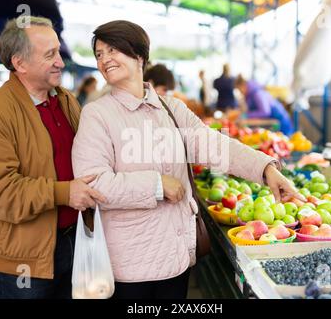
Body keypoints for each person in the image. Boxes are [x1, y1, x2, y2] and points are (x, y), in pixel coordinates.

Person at [72, 20, 304, 299]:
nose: (105, 59)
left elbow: (214, 145)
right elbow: (93, 183)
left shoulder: (171, 108)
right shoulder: (97, 115)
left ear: (139, 55)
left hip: (177, 255)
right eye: (99, 54)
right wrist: (157, 185)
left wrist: (266, 169)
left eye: (113, 50)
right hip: (130, 263)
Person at [0, 16, 106, 299]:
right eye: (50, 54)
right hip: (23, 260)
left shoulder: (65, 100)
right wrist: (64, 193)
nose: (61, 62)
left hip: (74, 242)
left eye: (58, 51)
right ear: (20, 63)